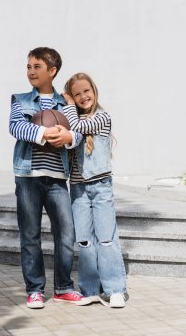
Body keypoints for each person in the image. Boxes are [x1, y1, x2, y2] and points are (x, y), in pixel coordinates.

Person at [9, 47, 91, 309]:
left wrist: (67, 137)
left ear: (52, 71)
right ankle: (34, 289)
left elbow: (77, 133)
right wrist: (46, 132)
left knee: (66, 234)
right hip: (28, 177)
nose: (31, 71)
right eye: (29, 66)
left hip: (57, 179)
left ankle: (63, 288)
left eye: (37, 67)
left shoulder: (65, 103)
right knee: (30, 235)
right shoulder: (20, 99)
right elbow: (16, 126)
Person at [62, 72, 127, 308]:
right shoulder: (72, 120)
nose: (82, 97)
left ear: (94, 90)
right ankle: (90, 289)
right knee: (84, 241)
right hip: (78, 189)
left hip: (101, 187)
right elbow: (71, 132)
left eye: (85, 91)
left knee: (107, 239)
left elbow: (77, 125)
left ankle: (115, 289)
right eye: (76, 94)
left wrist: (68, 103)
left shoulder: (102, 117)